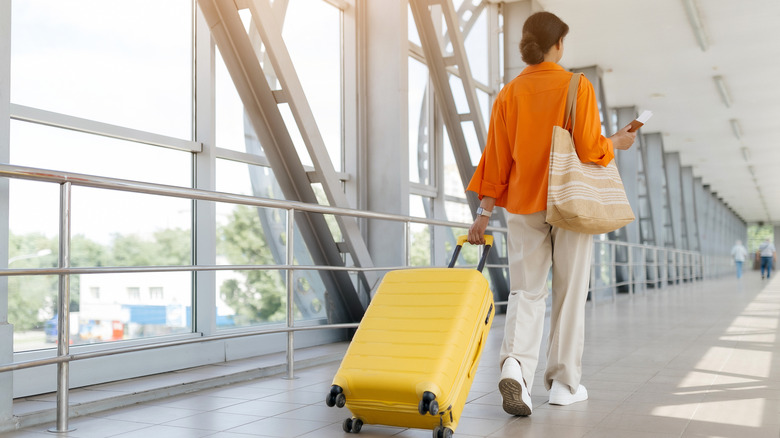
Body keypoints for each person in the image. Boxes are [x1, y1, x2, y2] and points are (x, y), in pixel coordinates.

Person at [466, 11, 636, 416]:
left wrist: (484, 213)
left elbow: (496, 160)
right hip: (570, 203)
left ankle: (515, 368)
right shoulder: (576, 85)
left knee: (526, 291)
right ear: (557, 44)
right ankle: (562, 383)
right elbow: (588, 148)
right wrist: (617, 142)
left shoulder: (508, 94)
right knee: (570, 291)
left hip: (524, 205)